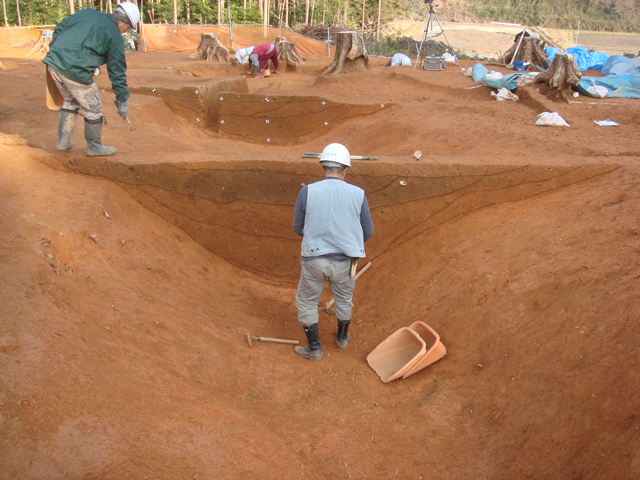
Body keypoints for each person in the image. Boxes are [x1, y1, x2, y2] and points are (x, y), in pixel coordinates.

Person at [292, 143, 374, 362]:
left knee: (308, 301)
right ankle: (342, 338)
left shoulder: (307, 191)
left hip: (314, 259)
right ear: (345, 169)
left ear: (323, 168)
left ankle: (314, 349)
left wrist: (317, 237)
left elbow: (297, 227)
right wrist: (348, 242)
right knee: (344, 300)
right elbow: (368, 231)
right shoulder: (358, 194)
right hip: (345, 261)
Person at [43, 2, 140, 157]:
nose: (125, 31)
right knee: (93, 108)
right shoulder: (114, 35)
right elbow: (117, 71)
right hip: (73, 70)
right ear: (121, 21)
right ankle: (94, 146)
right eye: (127, 27)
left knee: (70, 100)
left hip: (53, 63)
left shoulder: (87, 13)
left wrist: (57, 48)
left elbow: (60, 27)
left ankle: (63, 141)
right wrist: (122, 100)